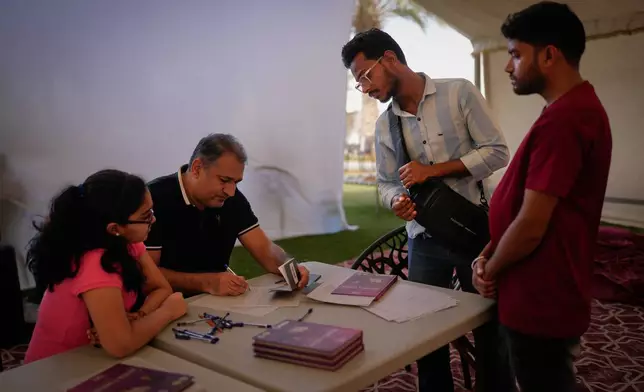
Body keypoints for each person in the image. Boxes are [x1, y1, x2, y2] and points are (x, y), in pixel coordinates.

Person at [341, 29, 513, 392]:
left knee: (490, 330)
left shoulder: (459, 92)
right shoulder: (384, 125)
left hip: (475, 235)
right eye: (358, 84)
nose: (365, 89)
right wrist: (396, 201)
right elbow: (386, 182)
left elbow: (497, 151)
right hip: (423, 240)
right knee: (425, 336)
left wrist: (433, 171)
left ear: (389, 58)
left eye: (365, 76)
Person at [472, 2, 612, 391]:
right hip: (543, 289)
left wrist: (492, 269)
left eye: (516, 54)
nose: (507, 66)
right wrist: (487, 253)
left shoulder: (566, 119)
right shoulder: (569, 110)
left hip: (542, 295)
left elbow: (533, 223)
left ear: (549, 54)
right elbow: (523, 209)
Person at [24, 170, 187, 363]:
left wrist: (140, 315)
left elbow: (161, 287)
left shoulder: (128, 241)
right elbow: (120, 345)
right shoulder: (95, 263)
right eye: (146, 216)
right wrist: (168, 311)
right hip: (57, 367)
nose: (154, 220)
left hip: (93, 357)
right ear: (114, 228)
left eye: (152, 211)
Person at [145, 133, 309, 296]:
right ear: (197, 169)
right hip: (165, 302)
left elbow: (264, 248)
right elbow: (146, 274)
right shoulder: (153, 199)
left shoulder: (231, 199)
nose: (230, 192)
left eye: (236, 182)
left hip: (215, 298)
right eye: (224, 180)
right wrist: (208, 282)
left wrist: (290, 267)